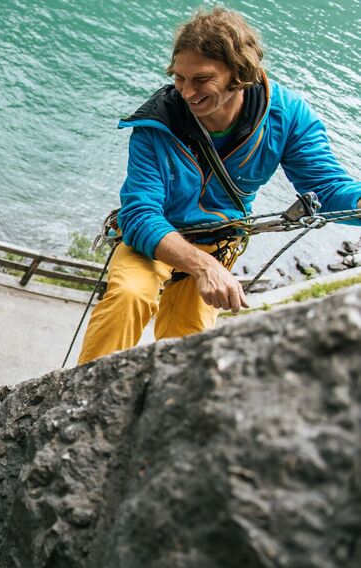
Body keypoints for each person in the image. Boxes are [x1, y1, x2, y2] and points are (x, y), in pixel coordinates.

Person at [78, 7, 361, 365]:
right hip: (154, 239)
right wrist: (201, 266)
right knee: (130, 296)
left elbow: (329, 191)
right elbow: (139, 213)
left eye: (201, 79)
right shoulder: (155, 124)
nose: (186, 91)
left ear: (241, 74)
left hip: (217, 243)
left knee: (189, 344)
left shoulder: (286, 117)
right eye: (179, 77)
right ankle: (85, 400)